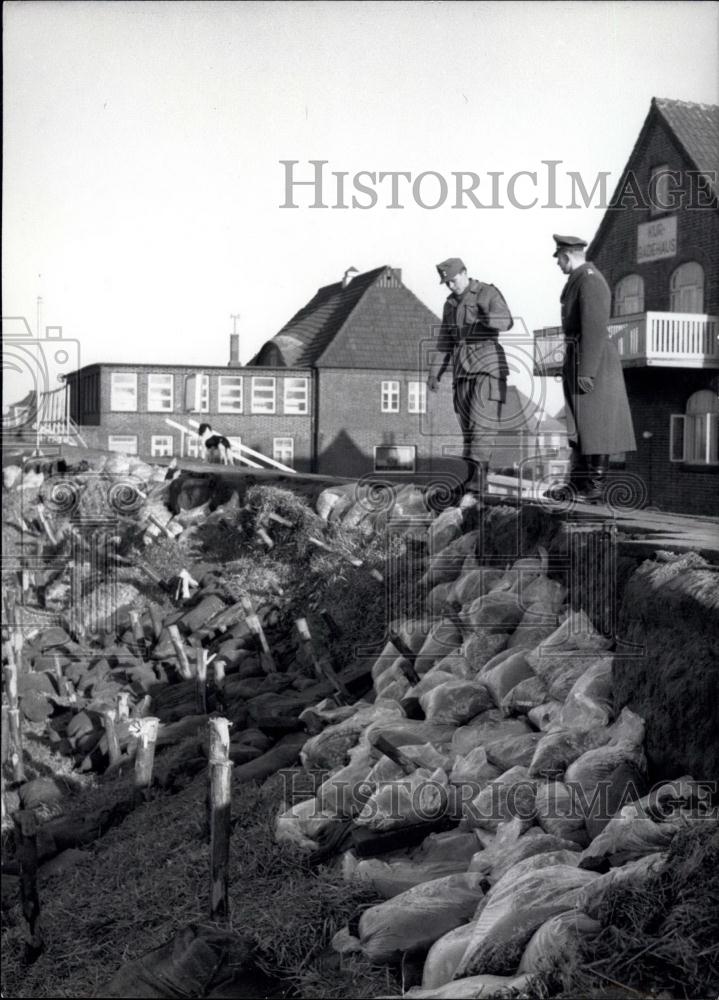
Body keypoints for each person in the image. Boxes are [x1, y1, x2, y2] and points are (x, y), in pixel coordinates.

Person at [546, 235, 636, 503]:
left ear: (567, 256)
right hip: (579, 356)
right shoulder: (580, 279)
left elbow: (594, 328)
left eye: (559, 259)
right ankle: (576, 484)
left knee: (596, 424)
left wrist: (587, 370)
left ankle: (594, 486)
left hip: (592, 360)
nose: (558, 264)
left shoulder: (590, 280)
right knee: (579, 426)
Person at [427, 257, 513, 501]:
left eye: (453, 280)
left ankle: (478, 482)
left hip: (487, 369)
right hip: (462, 372)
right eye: (446, 283)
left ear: (464, 273)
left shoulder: (486, 292)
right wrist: (434, 373)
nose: (450, 286)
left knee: (481, 424)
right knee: (467, 428)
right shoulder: (450, 304)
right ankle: (470, 480)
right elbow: (445, 340)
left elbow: (506, 321)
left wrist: (485, 318)